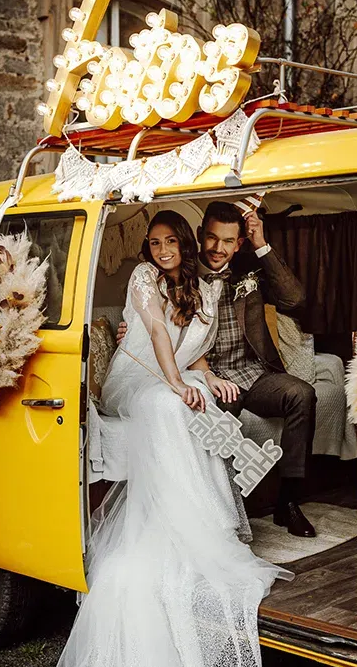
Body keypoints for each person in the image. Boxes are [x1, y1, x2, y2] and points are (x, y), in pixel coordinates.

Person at [16, 210, 297, 667]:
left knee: (214, 413)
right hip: (135, 380)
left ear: (188, 246)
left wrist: (210, 380)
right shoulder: (143, 278)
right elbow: (162, 344)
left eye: (173, 242)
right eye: (157, 242)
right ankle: (185, 526)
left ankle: (211, 523)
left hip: (172, 374)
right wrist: (179, 386)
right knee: (176, 412)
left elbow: (194, 348)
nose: (164, 250)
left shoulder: (208, 284)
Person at [118, 201, 317, 538]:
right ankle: (224, 514)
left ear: (238, 243)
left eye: (228, 241)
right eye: (211, 238)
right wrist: (133, 328)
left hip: (254, 373)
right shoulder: (180, 270)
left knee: (302, 394)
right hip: (210, 376)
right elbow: (160, 321)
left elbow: (295, 299)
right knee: (206, 418)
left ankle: (288, 502)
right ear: (198, 236)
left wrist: (261, 244)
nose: (217, 248)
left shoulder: (248, 271)